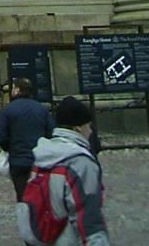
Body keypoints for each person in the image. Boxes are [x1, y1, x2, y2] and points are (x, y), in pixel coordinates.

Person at [20, 95, 110, 246]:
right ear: (78, 128)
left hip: (45, 234)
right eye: (89, 126)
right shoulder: (81, 162)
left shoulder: (42, 154)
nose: (91, 131)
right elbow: (88, 214)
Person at [0, 77, 53, 201]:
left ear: (17, 90)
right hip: (40, 158)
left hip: (18, 159)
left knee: (22, 194)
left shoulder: (8, 110)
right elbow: (50, 132)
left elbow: (1, 135)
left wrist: (9, 148)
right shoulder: (41, 109)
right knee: (41, 194)